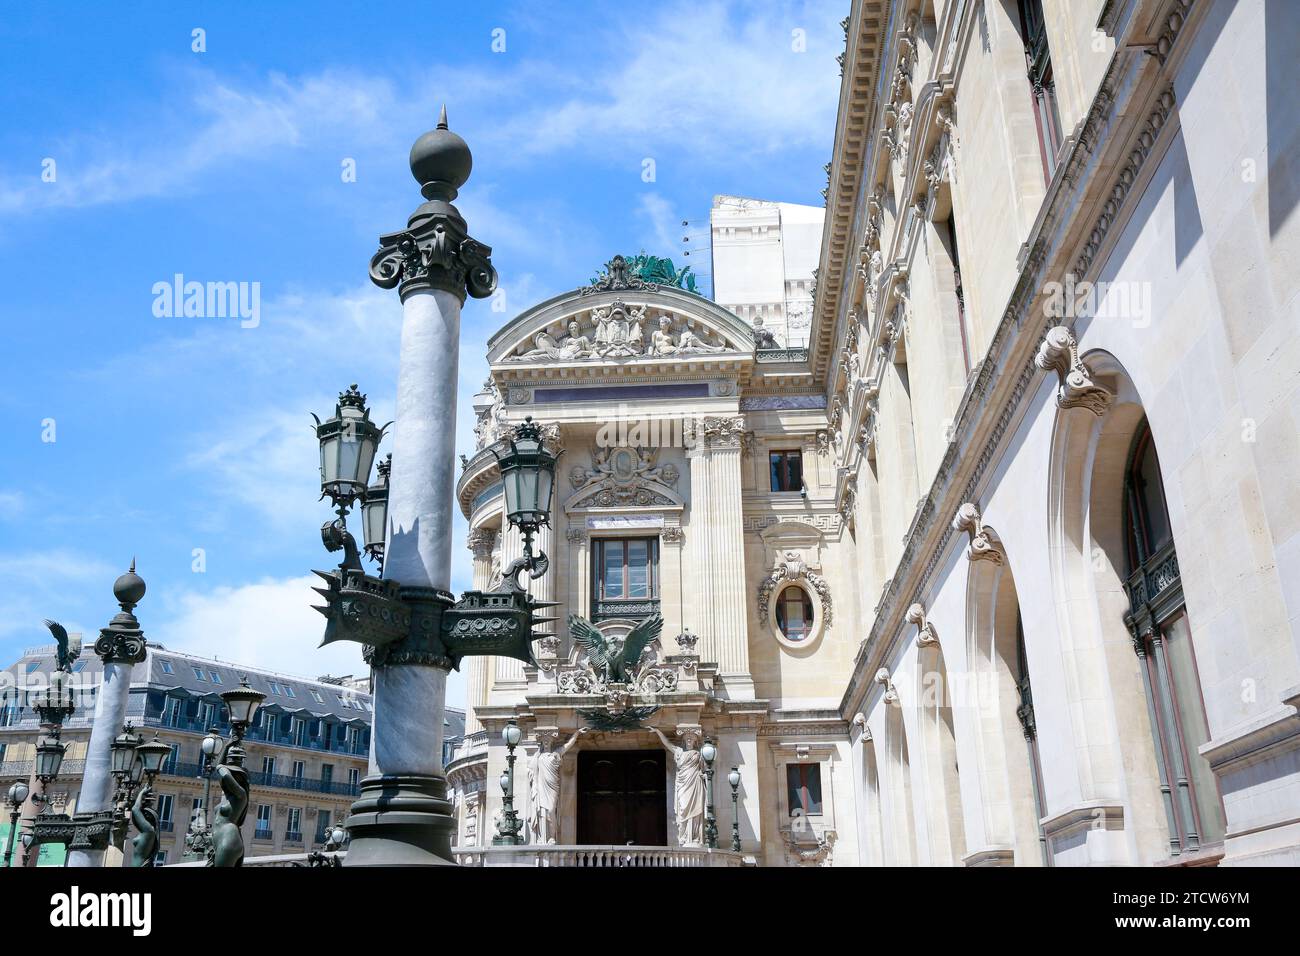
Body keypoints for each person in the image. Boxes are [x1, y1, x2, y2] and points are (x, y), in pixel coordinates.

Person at [649, 727, 706, 847]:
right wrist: (658, 731)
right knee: (683, 809)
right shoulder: (679, 752)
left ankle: (694, 838)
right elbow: (667, 744)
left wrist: (704, 775)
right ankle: (685, 836)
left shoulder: (699, 754)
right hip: (683, 786)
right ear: (684, 741)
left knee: (695, 811)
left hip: (695, 784)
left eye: (691, 739)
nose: (689, 741)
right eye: (687, 739)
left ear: (695, 742)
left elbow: (705, 769)